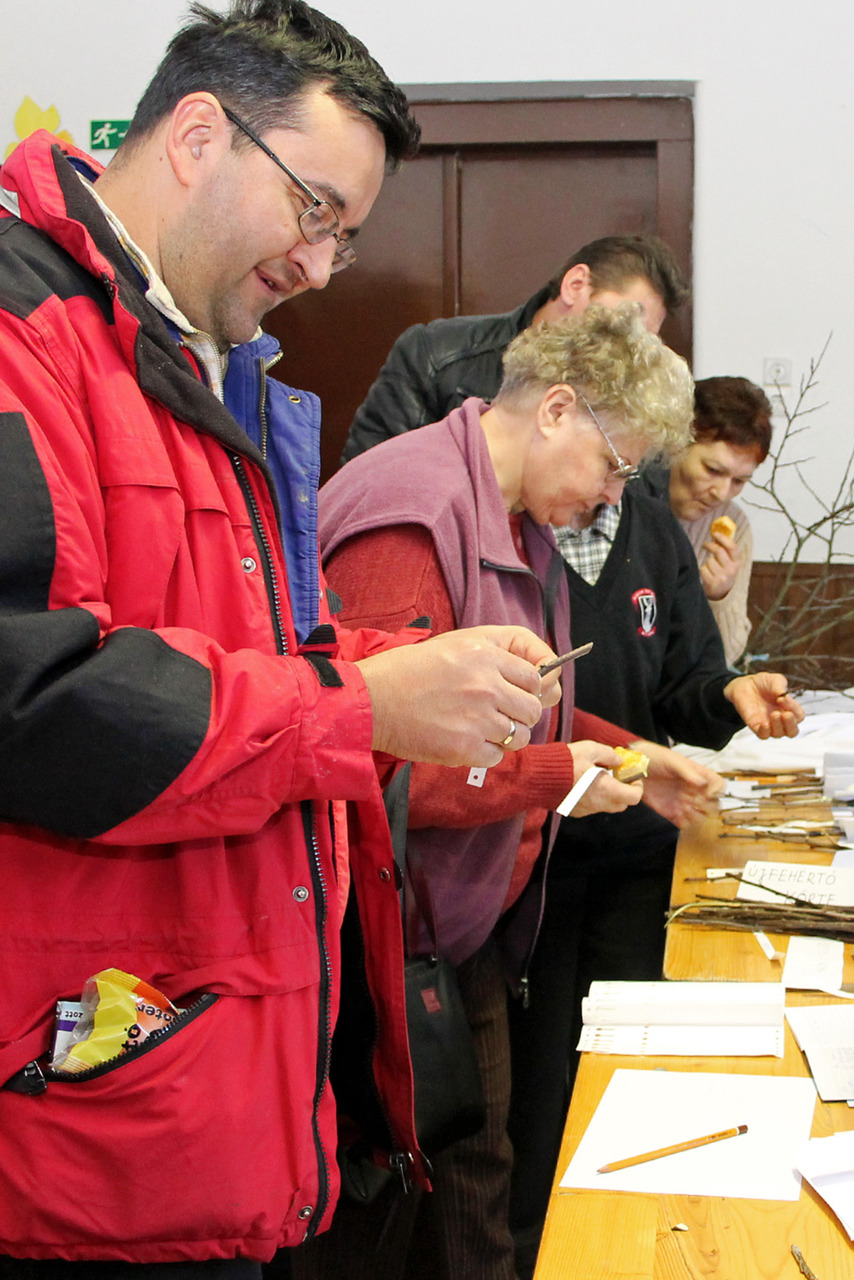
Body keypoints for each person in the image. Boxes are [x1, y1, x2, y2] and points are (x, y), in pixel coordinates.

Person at [0, 2, 566, 1272]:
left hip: (206, 1083)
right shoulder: (24, 338)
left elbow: (247, 641)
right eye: (315, 211)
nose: (319, 266)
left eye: (344, 238)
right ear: (199, 135)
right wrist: (365, 708)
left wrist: (390, 671)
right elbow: (35, 699)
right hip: (80, 1127)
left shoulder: (197, 361)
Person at [306, 303, 768, 1280]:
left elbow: (528, 703)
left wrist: (631, 754)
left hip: (456, 927)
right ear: (556, 409)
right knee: (417, 1216)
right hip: (387, 944)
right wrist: (561, 775)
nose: (610, 498)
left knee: (481, 1183)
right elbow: (383, 763)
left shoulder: (513, 517)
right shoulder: (413, 517)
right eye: (613, 466)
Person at [505, 376, 796, 1272]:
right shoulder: (515, 526)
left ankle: (624, 1245)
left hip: (633, 842)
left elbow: (683, 684)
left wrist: (730, 696)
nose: (610, 483)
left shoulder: (655, 534)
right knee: (536, 1086)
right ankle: (541, 1246)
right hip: (531, 852)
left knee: (626, 1066)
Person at [341, 233, 689, 464]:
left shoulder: (631, 395)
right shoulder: (438, 354)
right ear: (575, 284)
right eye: (624, 322)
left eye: (643, 339)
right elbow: (373, 476)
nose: (629, 345)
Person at [637, 375, 772, 666]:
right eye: (713, 470)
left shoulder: (733, 524)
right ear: (678, 442)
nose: (722, 493)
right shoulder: (628, 500)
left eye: (739, 481)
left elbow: (726, 658)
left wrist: (720, 596)